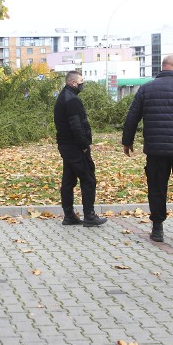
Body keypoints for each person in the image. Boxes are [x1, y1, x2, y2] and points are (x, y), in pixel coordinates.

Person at [122, 54, 173, 247]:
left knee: (157, 187)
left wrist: (127, 141)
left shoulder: (146, 89)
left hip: (156, 150)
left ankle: (157, 229)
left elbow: (132, 117)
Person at [53, 70, 107, 227]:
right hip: (75, 147)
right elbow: (76, 125)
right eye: (81, 81)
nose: (83, 83)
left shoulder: (63, 97)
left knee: (69, 180)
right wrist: (84, 145)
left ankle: (69, 215)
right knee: (88, 178)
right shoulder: (72, 100)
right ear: (73, 83)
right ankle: (89, 215)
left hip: (65, 146)